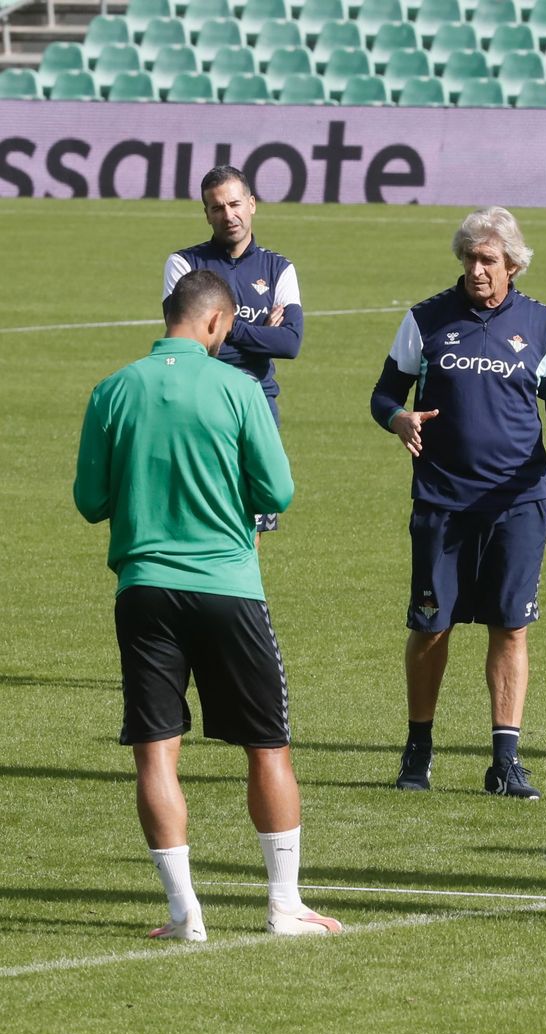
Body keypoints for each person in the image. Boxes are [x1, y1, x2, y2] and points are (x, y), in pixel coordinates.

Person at [73, 270, 340, 940]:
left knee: (156, 754)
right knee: (267, 747)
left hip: (144, 591)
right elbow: (276, 492)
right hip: (227, 588)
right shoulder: (239, 389)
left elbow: (90, 501)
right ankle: (284, 906)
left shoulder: (114, 390)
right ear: (218, 323)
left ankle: (184, 912)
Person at [370, 206, 546, 799]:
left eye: (489, 260)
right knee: (432, 626)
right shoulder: (426, 320)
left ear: (513, 265)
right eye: (469, 258)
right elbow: (385, 392)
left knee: (510, 627)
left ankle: (505, 761)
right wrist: (398, 418)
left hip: (517, 504)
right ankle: (418, 750)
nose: (477, 269)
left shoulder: (542, 325)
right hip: (441, 500)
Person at [164, 165, 303, 538]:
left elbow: (289, 343)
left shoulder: (279, 268)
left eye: (235, 204)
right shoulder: (183, 264)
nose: (228, 215)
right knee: (194, 513)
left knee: (253, 523)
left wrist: (223, 326)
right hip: (198, 403)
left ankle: (245, 597)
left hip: (257, 407)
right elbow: (185, 336)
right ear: (206, 214)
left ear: (252, 204)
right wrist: (258, 333)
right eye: (217, 208)